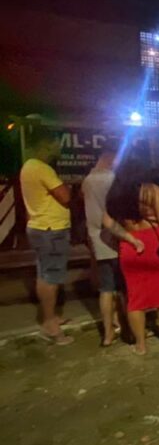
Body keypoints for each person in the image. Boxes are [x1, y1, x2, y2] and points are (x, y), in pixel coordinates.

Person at [104, 159, 159, 355]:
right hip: (155, 242)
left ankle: (140, 344)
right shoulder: (151, 190)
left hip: (130, 245)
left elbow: (107, 221)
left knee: (134, 298)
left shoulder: (115, 192)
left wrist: (127, 237)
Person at [19, 128, 74, 344]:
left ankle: (51, 317)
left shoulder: (28, 167)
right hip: (51, 228)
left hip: (40, 226)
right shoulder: (42, 168)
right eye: (53, 145)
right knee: (50, 276)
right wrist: (67, 187)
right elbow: (65, 196)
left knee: (45, 273)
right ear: (44, 146)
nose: (56, 149)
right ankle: (50, 324)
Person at [82, 137, 125, 346]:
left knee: (106, 289)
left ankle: (108, 332)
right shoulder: (112, 179)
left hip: (96, 238)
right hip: (115, 239)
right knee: (121, 287)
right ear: (110, 157)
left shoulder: (88, 180)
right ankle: (125, 327)